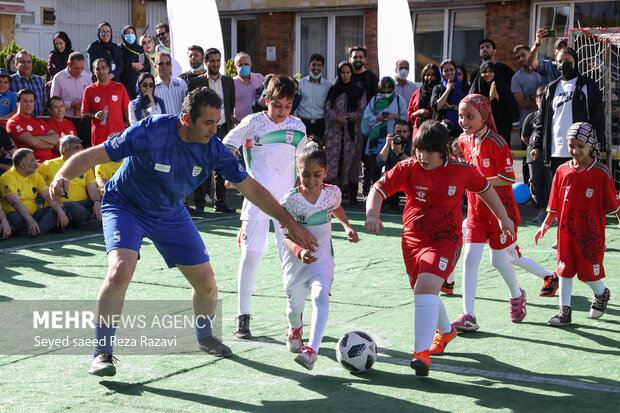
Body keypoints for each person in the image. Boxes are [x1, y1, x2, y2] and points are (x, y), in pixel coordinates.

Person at [48, 87, 316, 377]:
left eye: (217, 123)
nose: (215, 131)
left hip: (168, 210)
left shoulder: (214, 149)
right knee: (120, 269)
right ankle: (102, 352)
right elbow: (94, 155)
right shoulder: (151, 130)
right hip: (126, 204)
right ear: (186, 118)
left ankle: (204, 335)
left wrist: (288, 221)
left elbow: (250, 188)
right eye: (208, 123)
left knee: (207, 284)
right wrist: (62, 175)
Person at [365, 120, 515, 376]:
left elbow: (486, 189)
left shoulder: (462, 169)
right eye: (419, 149)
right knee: (424, 291)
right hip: (412, 239)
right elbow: (378, 189)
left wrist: (503, 217)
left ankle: (421, 353)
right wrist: (371, 213)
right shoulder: (408, 167)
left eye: (429, 151)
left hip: (445, 239)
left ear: (445, 150)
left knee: (425, 287)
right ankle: (446, 332)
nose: (423, 156)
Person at [453, 94, 558, 333]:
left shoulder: (498, 142)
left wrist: (477, 182)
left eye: (470, 116)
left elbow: (509, 178)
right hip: (476, 212)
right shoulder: (462, 141)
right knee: (470, 258)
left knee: (499, 260)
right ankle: (468, 314)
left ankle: (517, 295)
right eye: (461, 115)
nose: (464, 121)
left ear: (484, 117)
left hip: (502, 214)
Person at [222, 75, 308, 340]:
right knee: (251, 258)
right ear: (266, 101)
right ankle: (242, 317)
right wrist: (232, 173)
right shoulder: (252, 122)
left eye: (287, 105)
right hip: (256, 202)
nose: (281, 111)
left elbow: (302, 166)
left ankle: (294, 319)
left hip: (286, 207)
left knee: (291, 262)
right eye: (276, 105)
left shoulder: (299, 127)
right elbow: (227, 145)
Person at [280, 143, 358, 370]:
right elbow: (285, 236)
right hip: (295, 263)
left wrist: (347, 226)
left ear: (325, 172)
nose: (311, 180)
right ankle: (295, 328)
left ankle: (311, 350)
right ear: (298, 171)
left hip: (322, 260)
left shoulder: (332, 193)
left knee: (320, 296)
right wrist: (300, 251)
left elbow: (336, 207)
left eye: (316, 174)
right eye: (305, 174)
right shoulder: (290, 201)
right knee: (294, 309)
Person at [535, 122, 618, 326]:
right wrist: (545, 224)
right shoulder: (562, 171)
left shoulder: (601, 173)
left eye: (581, 146)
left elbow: (614, 207)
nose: (575, 150)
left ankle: (601, 293)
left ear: (591, 146)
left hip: (590, 235)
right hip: (565, 234)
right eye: (571, 146)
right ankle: (564, 311)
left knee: (588, 274)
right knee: (564, 270)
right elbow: (553, 204)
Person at [531, 47, 605, 175]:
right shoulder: (550, 88)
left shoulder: (588, 85)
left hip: (581, 150)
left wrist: (596, 143)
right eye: (559, 61)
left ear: (575, 61)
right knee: (560, 191)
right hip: (556, 150)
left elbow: (597, 117)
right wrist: (536, 145)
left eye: (567, 60)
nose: (563, 64)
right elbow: (541, 120)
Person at [188, 47, 237, 215]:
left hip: (224, 128)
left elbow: (231, 106)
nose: (215, 64)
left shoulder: (229, 82)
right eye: (212, 61)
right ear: (205, 62)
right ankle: (200, 203)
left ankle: (220, 202)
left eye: (218, 60)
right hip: (204, 129)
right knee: (202, 164)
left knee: (222, 165)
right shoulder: (196, 82)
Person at [37, 135, 101, 230]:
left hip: (83, 205)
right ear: (65, 151)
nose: (80, 150)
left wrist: (97, 202)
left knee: (104, 203)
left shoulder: (85, 166)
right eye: (76, 148)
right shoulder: (48, 165)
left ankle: (82, 221)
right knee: (71, 206)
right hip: (61, 205)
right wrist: (37, 203)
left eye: (80, 147)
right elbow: (35, 184)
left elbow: (92, 188)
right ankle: (86, 221)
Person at [324, 61, 366, 203]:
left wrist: (348, 117)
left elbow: (362, 111)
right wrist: (337, 117)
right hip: (335, 132)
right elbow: (327, 109)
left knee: (351, 161)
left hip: (352, 134)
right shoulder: (333, 90)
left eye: (348, 72)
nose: (346, 75)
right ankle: (330, 196)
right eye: (343, 72)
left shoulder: (359, 91)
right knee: (332, 161)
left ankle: (352, 196)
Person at [0, 148, 67, 237]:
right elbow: (16, 203)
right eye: (32, 160)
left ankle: (35, 230)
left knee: (60, 208)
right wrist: (30, 220)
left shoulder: (35, 175)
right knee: (14, 217)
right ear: (22, 165)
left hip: (34, 215)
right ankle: (42, 228)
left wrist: (60, 212)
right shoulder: (7, 178)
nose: (36, 163)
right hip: (18, 216)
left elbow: (48, 195)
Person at [361, 76, 408, 189]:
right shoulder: (375, 100)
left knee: (392, 168)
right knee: (375, 168)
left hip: (393, 139)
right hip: (376, 139)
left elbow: (405, 119)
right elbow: (366, 119)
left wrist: (395, 116)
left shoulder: (398, 100)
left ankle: (391, 197)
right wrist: (378, 118)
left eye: (389, 91)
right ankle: (374, 191)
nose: (386, 94)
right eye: (383, 91)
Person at [81, 58, 130, 147]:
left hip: (118, 136)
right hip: (99, 138)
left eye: (103, 68)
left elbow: (127, 110)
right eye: (98, 69)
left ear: (108, 69)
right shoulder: (89, 90)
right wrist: (94, 115)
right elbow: (84, 113)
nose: (101, 71)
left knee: (120, 160)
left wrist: (131, 129)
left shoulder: (119, 87)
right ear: (93, 71)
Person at [50, 52, 93, 148]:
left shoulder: (86, 77)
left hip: (84, 119)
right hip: (66, 119)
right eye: (76, 68)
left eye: (82, 68)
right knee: (70, 148)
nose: (79, 71)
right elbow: (53, 101)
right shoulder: (59, 78)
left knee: (86, 146)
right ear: (68, 64)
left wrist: (84, 104)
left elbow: (91, 97)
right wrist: (70, 105)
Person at [470, 61, 518, 144]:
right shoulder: (475, 91)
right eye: (484, 72)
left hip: (501, 134)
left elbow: (513, 108)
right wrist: (489, 99)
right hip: (481, 134)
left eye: (490, 71)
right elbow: (471, 110)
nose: (488, 74)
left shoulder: (502, 88)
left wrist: (498, 97)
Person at [6, 89, 60, 163]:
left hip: (51, 161)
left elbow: (56, 138)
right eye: (25, 101)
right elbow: (32, 142)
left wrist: (36, 138)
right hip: (32, 164)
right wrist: (50, 145)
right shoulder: (14, 122)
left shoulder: (39, 121)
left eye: (31, 101)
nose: (29, 104)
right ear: (18, 103)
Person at [521, 86, 550, 223]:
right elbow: (524, 136)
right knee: (536, 184)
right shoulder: (531, 117)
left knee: (550, 185)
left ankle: (552, 214)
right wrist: (534, 147)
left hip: (550, 156)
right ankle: (541, 212)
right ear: (537, 100)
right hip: (534, 158)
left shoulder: (554, 118)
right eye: (540, 99)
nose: (543, 102)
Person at [295, 54, 331, 145]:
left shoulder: (328, 86)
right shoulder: (300, 84)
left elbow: (329, 109)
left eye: (319, 65)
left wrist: (327, 131)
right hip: (303, 124)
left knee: (318, 154)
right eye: (313, 64)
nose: (316, 67)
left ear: (323, 67)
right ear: (309, 66)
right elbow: (296, 106)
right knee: (302, 152)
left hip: (320, 125)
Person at [376, 120, 411, 212]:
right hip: (392, 180)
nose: (401, 134)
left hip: (408, 181)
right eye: (398, 132)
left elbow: (413, 165)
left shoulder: (413, 145)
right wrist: (387, 145)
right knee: (382, 207)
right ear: (393, 132)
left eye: (404, 132)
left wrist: (399, 153)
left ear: (409, 133)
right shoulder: (388, 143)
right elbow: (379, 163)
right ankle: (391, 202)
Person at [511, 45, 543, 132]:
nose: (521, 59)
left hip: (545, 122)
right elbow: (522, 103)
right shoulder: (516, 78)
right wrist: (540, 98)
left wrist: (530, 98)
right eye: (518, 57)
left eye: (523, 55)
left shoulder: (544, 70)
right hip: (527, 124)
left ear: (531, 54)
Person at [431, 59, 465, 136]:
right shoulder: (437, 88)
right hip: (441, 128)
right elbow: (437, 106)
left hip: (461, 127)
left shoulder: (464, 87)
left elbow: (469, 106)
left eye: (451, 70)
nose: (449, 73)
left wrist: (451, 106)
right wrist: (448, 90)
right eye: (445, 70)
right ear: (442, 73)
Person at [10, 51, 46, 117]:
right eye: (23, 62)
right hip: (20, 124)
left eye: (29, 62)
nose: (26, 65)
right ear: (16, 65)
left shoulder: (39, 80)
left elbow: (45, 104)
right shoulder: (10, 81)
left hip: (38, 122)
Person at [407, 64, 440, 138]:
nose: (430, 77)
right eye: (427, 75)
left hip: (436, 131)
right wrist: (418, 112)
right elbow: (409, 115)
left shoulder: (440, 93)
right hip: (419, 132)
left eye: (433, 75)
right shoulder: (417, 94)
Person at [119, 25, 149, 100]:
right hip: (125, 85)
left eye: (132, 33)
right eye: (128, 33)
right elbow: (118, 66)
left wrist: (143, 67)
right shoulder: (119, 49)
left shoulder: (139, 49)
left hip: (139, 85)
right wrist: (130, 65)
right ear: (123, 35)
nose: (130, 35)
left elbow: (148, 66)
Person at [232, 52, 264, 123]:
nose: (243, 67)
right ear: (235, 67)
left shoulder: (259, 78)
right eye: (240, 65)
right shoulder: (232, 83)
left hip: (260, 122)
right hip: (241, 123)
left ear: (250, 65)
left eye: (246, 64)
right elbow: (227, 105)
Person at [154, 51, 187, 116]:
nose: (164, 66)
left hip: (180, 124)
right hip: (161, 124)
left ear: (171, 65)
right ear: (155, 66)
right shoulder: (151, 86)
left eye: (168, 63)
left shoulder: (181, 83)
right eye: (161, 63)